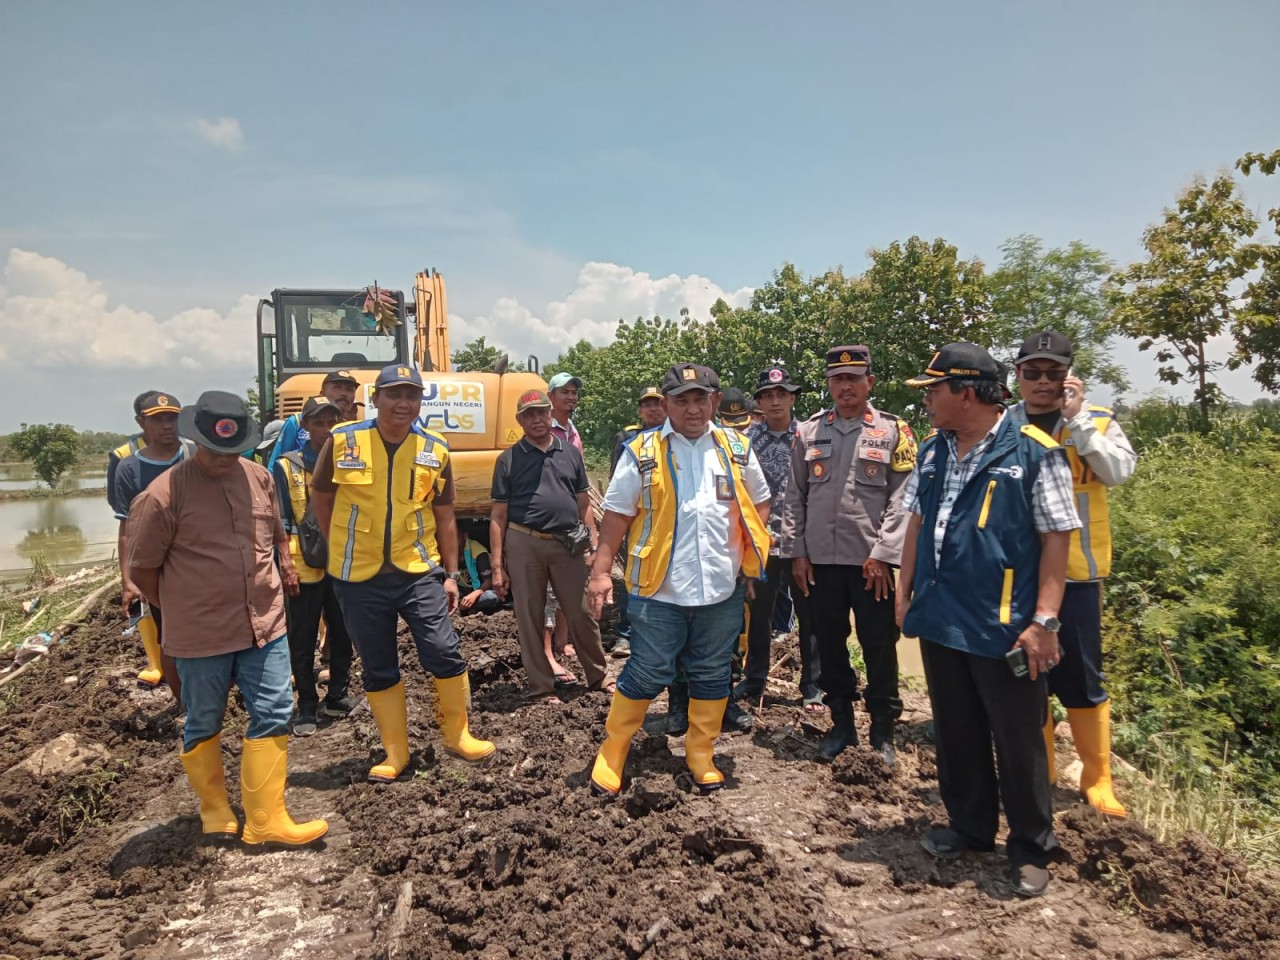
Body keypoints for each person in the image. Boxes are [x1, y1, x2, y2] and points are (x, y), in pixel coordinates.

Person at [897, 342, 1080, 898]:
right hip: (943, 617)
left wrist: (1044, 620)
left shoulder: (1034, 453)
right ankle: (970, 827)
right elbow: (917, 520)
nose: (927, 399)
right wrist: (905, 591)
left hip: (1004, 626)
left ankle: (1031, 846)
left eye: (934, 389)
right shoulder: (933, 451)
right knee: (956, 730)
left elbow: (1057, 542)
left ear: (967, 392)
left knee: (1019, 737)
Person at [127, 391, 327, 847]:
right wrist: (183, 607)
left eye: (232, 451)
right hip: (201, 630)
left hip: (265, 620)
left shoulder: (259, 478)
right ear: (197, 441)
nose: (223, 460)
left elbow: (275, 533)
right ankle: (215, 807)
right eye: (215, 451)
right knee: (203, 718)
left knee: (276, 709)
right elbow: (142, 571)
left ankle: (265, 818)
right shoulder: (161, 497)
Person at [586, 363, 771, 795]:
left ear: (714, 400)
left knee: (711, 671)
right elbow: (615, 518)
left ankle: (700, 752)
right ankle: (614, 750)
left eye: (699, 399)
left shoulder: (736, 447)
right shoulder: (642, 451)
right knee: (648, 669)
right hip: (658, 589)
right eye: (681, 400)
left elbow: (759, 503)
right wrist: (599, 573)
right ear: (666, 404)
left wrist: (750, 559)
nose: (691, 408)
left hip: (721, 588)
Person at [310, 364, 494, 781]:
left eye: (412, 395)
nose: (403, 403)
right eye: (394, 394)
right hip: (358, 576)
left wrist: (450, 573)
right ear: (376, 399)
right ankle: (396, 754)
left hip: (417, 571)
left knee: (443, 650)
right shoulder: (343, 441)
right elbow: (322, 499)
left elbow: (445, 517)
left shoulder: (435, 449)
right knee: (378, 665)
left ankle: (457, 735)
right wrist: (339, 546)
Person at [1007, 330, 1136, 818]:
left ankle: (1097, 777)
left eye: (1053, 372)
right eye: (1033, 372)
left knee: (1081, 676)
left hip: (1078, 577)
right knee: (1025, 675)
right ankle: (1040, 768)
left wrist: (1077, 422)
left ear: (1069, 375)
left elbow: (1119, 472)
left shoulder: (1097, 420)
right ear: (1016, 376)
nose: (1043, 382)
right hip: (1017, 574)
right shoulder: (1003, 425)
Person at [778, 346, 916, 765]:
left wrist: (884, 554)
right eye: (838, 379)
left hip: (871, 566)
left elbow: (904, 497)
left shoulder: (895, 432)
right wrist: (796, 552)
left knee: (879, 645)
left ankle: (882, 729)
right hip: (819, 564)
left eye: (854, 378)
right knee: (829, 644)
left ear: (869, 383)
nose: (845, 386)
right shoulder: (809, 432)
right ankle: (841, 724)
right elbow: (793, 496)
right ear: (829, 384)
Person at [489, 389, 610, 703]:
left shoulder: (570, 454)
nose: (537, 419)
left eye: (541, 412)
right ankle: (541, 687)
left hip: (567, 541)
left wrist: (592, 546)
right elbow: (498, 516)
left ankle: (598, 676)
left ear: (550, 414)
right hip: (524, 541)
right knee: (529, 615)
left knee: (580, 611)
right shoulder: (508, 460)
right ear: (520, 421)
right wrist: (498, 566)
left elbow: (584, 504)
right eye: (529, 415)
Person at [738, 365, 823, 713]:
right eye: (768, 396)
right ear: (759, 402)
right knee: (759, 613)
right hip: (763, 542)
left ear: (792, 398)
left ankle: (814, 686)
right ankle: (755, 678)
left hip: (803, 541)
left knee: (810, 613)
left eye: (781, 394)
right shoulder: (748, 441)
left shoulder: (811, 436)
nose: (775, 401)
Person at [272, 396, 356, 737]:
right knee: (303, 635)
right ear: (304, 426)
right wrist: (285, 565)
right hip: (302, 561)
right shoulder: (285, 466)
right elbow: (280, 521)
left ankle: (338, 694)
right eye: (318, 423)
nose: (325, 429)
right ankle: (306, 705)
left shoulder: (348, 462)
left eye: (330, 422)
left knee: (343, 631)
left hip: (340, 559)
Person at [112, 390, 195, 697]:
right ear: (141, 423)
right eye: (158, 420)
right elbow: (126, 529)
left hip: (198, 559)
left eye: (172, 418)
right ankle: (183, 702)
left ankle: (215, 697)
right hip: (157, 566)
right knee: (168, 635)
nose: (167, 426)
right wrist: (128, 582)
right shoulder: (129, 469)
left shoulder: (195, 455)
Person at [606, 387, 667, 656]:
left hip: (668, 525)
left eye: (658, 404)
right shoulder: (628, 439)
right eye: (648, 405)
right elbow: (617, 487)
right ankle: (627, 635)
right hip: (638, 525)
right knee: (633, 579)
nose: (653, 409)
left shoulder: (677, 439)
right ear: (640, 410)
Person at [266, 369, 366, 470]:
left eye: (349, 389)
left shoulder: (358, 429)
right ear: (321, 394)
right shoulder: (297, 422)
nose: (344, 393)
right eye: (337, 388)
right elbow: (275, 466)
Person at [458, 535, 502, 615]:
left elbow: (488, 581)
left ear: (464, 536)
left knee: (491, 597)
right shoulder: (445, 551)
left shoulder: (478, 551)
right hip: (460, 592)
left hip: (479, 591)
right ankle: (462, 605)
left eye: (455, 537)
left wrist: (474, 595)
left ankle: (466, 607)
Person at [546, 372, 584, 453]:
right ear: (550, 396)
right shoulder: (543, 429)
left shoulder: (572, 430)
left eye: (574, 393)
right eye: (565, 392)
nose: (571, 397)